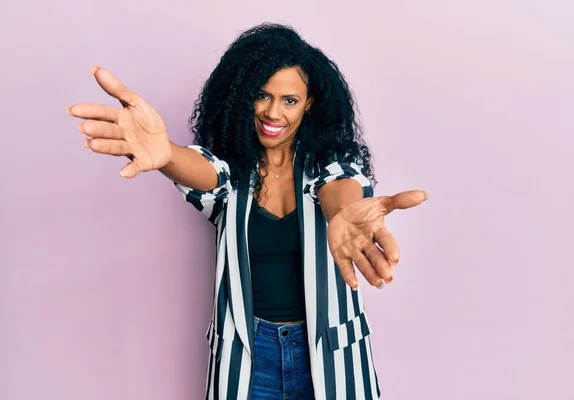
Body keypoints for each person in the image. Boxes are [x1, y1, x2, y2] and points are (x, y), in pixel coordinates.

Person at [66, 23, 427, 400]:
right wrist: (168, 154)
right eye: (261, 95)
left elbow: (341, 186)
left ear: (310, 103)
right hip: (251, 356)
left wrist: (346, 212)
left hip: (328, 353)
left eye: (290, 100)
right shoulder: (233, 169)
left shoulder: (331, 163)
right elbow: (206, 173)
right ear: (243, 96)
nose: (273, 112)